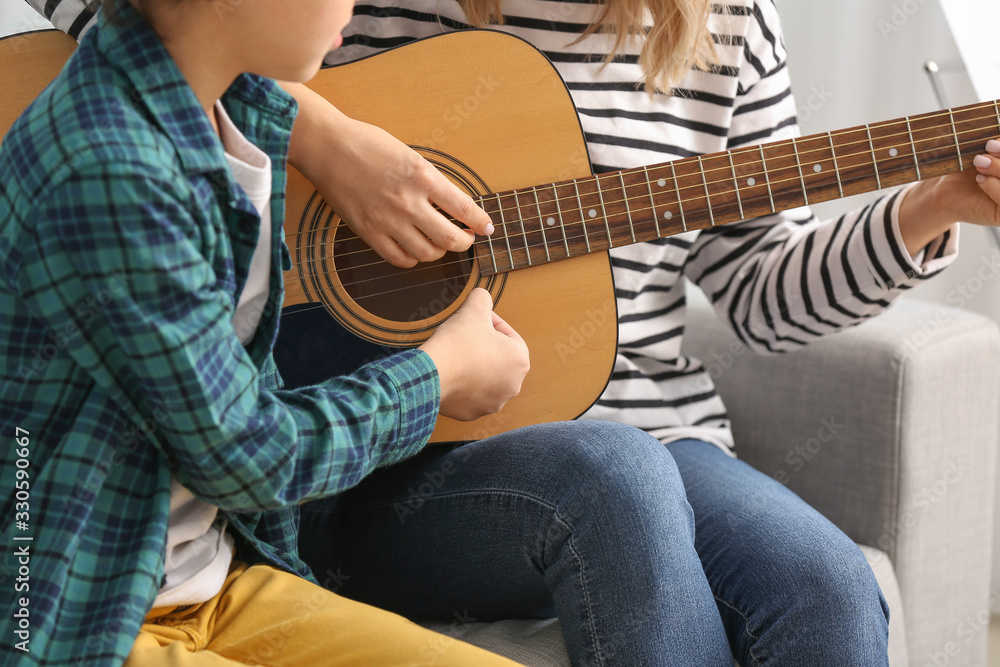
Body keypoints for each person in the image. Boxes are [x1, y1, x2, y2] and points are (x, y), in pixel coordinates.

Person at [17, 1, 1000, 667]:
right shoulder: (325, 21)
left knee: (822, 583)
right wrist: (325, 136)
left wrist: (926, 209)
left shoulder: (724, 22)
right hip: (383, 456)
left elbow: (757, 292)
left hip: (645, 428)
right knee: (613, 482)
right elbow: (153, 24)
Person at [0, 0, 535, 664]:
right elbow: (249, 457)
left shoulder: (238, 111)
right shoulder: (108, 170)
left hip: (222, 583)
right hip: (82, 612)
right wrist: (438, 374)